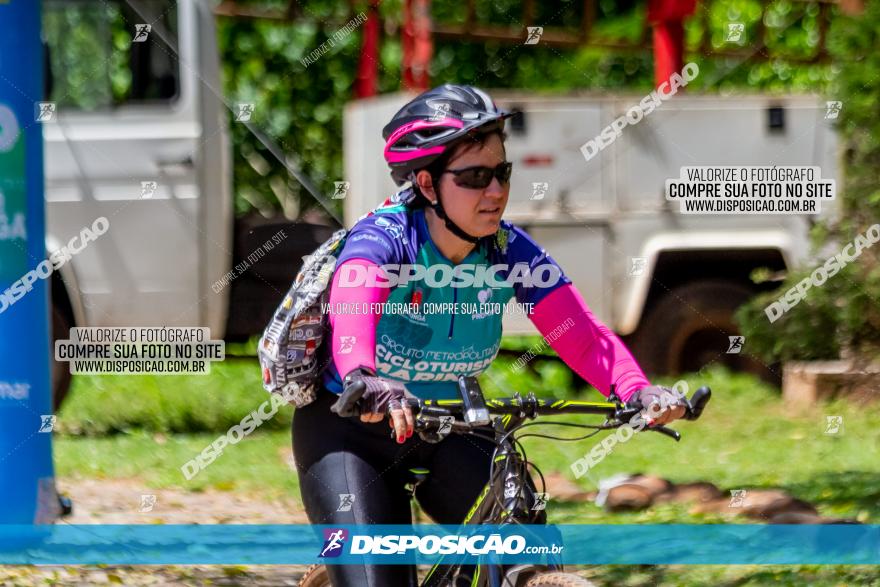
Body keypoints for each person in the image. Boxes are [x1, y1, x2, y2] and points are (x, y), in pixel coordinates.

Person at [292, 84, 686, 586]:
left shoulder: (506, 250)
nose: (496, 191)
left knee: (527, 548)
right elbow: (352, 306)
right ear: (428, 184)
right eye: (476, 177)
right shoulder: (385, 239)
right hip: (351, 435)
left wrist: (637, 390)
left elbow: (581, 334)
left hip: (453, 428)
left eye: (501, 173)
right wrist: (365, 377)